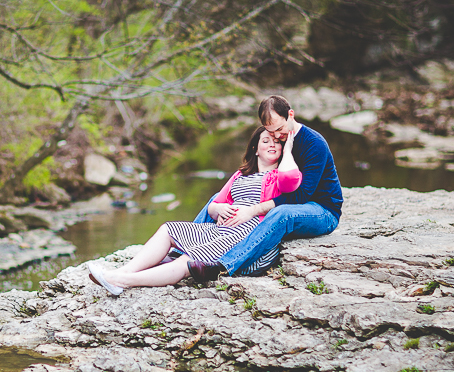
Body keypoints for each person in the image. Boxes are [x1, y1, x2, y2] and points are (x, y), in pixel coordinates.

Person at [88, 126, 302, 295]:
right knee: (168, 229)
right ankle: (121, 272)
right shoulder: (240, 175)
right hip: (222, 231)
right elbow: (213, 205)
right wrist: (221, 208)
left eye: (277, 142)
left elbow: (291, 180)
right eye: (266, 141)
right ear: (255, 148)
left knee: (188, 259)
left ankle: (122, 281)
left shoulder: (279, 178)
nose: (272, 145)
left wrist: (289, 148)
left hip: (248, 237)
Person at [187, 94, 342, 282]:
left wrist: (254, 210)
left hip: (322, 211)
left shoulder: (314, 144)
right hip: (292, 203)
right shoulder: (281, 138)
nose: (276, 136)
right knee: (217, 200)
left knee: (282, 213)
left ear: (290, 115)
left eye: (279, 129)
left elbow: (302, 195)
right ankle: (183, 250)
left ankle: (222, 266)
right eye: (271, 131)